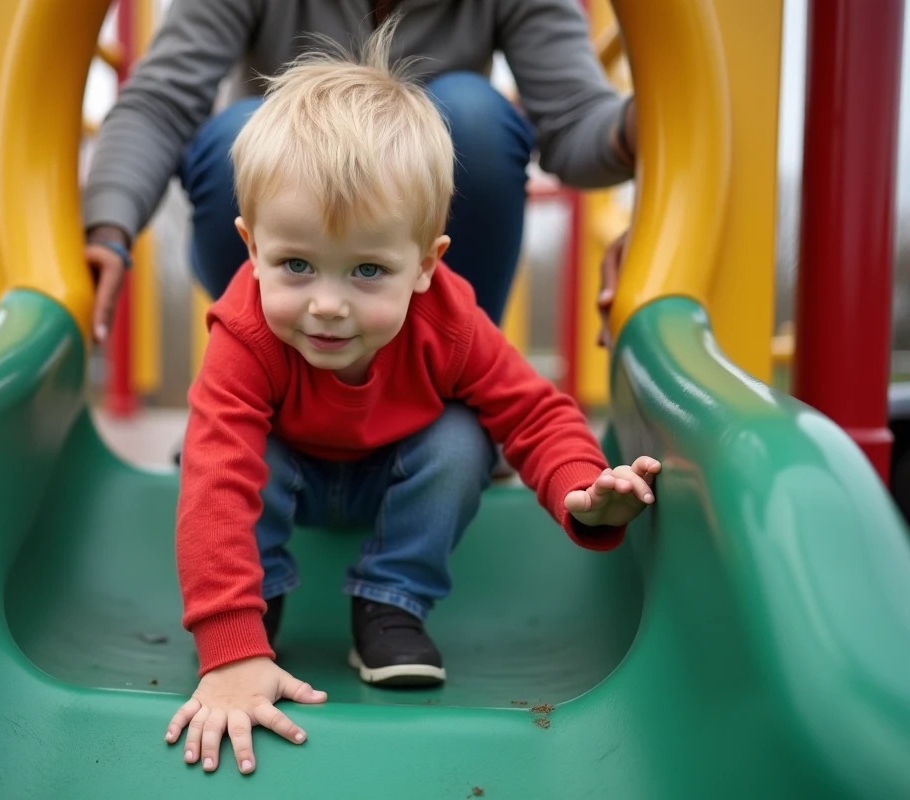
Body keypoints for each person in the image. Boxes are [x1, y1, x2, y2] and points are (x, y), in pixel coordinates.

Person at [161, 21, 661, 776]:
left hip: (393, 479)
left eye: (367, 271)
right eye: (296, 265)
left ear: (426, 265)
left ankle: (391, 602)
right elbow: (215, 479)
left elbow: (531, 409)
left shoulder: (448, 320)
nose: (327, 304)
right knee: (230, 444)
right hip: (287, 476)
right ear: (250, 247)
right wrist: (227, 651)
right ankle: (258, 601)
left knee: (463, 438)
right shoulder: (245, 330)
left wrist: (581, 485)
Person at [82, 0, 637, 341]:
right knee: (236, 138)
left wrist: (646, 124)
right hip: (287, 232)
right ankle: (256, 387)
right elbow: (161, 100)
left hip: (405, 240)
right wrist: (109, 226)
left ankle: (462, 378)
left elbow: (575, 124)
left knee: (475, 115)